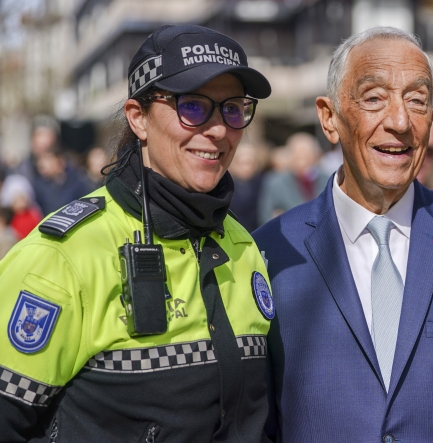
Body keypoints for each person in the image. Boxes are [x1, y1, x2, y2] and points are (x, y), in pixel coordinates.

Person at [252, 27, 433, 443]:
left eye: (417, 101)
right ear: (329, 118)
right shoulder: (271, 250)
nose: (400, 121)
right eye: (374, 98)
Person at [0, 25, 274, 442]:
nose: (219, 129)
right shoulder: (62, 256)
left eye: (233, 108)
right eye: (194, 106)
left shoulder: (243, 244)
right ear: (138, 118)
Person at [258, 132, 329, 222]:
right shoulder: (275, 181)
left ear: (315, 155)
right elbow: (266, 215)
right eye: (297, 154)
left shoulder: (327, 179)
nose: (301, 159)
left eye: (305, 155)